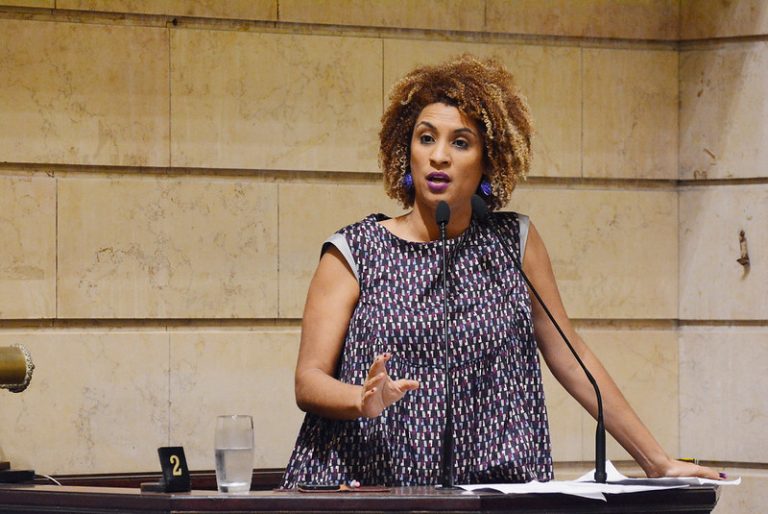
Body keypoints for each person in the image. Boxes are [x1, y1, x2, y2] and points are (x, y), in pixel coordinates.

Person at [280, 55, 721, 487]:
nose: (439, 157)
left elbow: (571, 357)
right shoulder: (354, 251)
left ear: (488, 161)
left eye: (460, 142)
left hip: (488, 490)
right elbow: (309, 380)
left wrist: (656, 460)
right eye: (426, 137)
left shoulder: (514, 244)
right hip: (370, 487)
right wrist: (361, 398)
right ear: (405, 151)